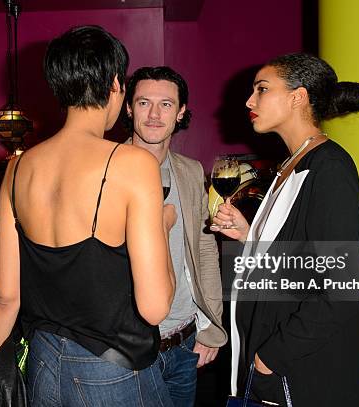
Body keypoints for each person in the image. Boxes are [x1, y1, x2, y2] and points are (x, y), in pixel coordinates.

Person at [0, 26, 176, 406]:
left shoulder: (17, 169)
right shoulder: (133, 163)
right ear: (116, 85)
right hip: (113, 371)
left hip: (42, 364)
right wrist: (163, 226)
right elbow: (154, 308)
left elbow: (5, 298)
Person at [212, 53, 359, 406]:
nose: (249, 101)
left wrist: (270, 358)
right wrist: (251, 235)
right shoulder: (291, 165)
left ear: (298, 96)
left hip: (296, 371)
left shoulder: (329, 166)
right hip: (271, 363)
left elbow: (342, 285)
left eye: (262, 89)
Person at [124, 66, 227, 406]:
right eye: (143, 103)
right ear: (128, 107)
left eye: (166, 104)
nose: (154, 114)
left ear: (181, 111)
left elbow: (204, 249)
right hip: (127, 347)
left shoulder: (191, 170)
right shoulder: (106, 169)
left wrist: (211, 326)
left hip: (184, 342)